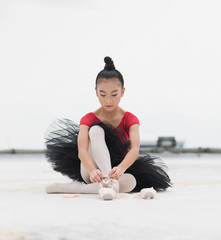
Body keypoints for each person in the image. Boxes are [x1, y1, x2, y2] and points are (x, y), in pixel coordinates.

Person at [45, 56, 171, 199]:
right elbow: (82, 150)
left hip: (116, 170)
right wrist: (92, 171)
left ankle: (79, 188)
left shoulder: (130, 119)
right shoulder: (88, 119)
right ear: (96, 91)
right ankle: (107, 183)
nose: (108, 100)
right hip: (91, 171)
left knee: (131, 182)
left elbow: (134, 150)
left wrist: (121, 168)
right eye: (103, 94)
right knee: (96, 130)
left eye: (114, 94)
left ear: (122, 92)